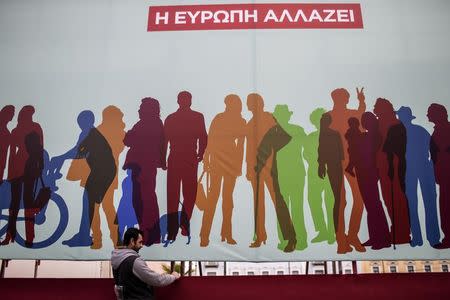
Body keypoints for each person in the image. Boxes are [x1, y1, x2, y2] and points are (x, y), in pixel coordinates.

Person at [200, 94, 246, 247]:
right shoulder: (219, 118)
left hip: (231, 162)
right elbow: (209, 140)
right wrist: (207, 160)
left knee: (227, 200)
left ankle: (226, 234)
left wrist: (238, 166)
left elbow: (241, 146)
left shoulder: (240, 121)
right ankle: (204, 235)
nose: (229, 106)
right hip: (217, 161)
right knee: (214, 198)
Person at [164, 91, 207, 243]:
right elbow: (203, 137)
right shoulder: (196, 117)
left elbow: (203, 137)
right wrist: (200, 153)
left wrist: (201, 153)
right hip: (187, 158)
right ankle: (180, 225)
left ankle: (174, 230)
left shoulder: (171, 118)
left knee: (175, 195)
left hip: (179, 158)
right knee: (187, 194)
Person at [327, 87, 366, 252]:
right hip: (335, 163)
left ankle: (351, 236)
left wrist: (362, 102)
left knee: (358, 199)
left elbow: (361, 119)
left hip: (352, 163)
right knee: (341, 202)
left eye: (344, 98)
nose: (343, 100)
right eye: (342, 98)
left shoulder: (351, 114)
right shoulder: (327, 116)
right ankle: (341, 240)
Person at [123, 98, 166, 246]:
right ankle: (148, 234)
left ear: (148, 109)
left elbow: (127, 140)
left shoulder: (145, 124)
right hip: (144, 166)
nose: (139, 110)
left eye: (141, 107)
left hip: (142, 167)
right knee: (144, 200)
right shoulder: (155, 124)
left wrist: (130, 134)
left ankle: (148, 234)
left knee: (143, 200)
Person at [111, 228, 180, 300]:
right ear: (132, 241)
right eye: (140, 242)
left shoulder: (117, 259)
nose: (141, 245)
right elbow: (156, 279)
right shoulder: (134, 261)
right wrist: (173, 276)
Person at [428, 103, 450, 249]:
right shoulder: (438, 131)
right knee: (445, 207)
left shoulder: (445, 130)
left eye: (430, 113)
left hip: (447, 175)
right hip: (443, 176)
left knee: (446, 207)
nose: (427, 115)